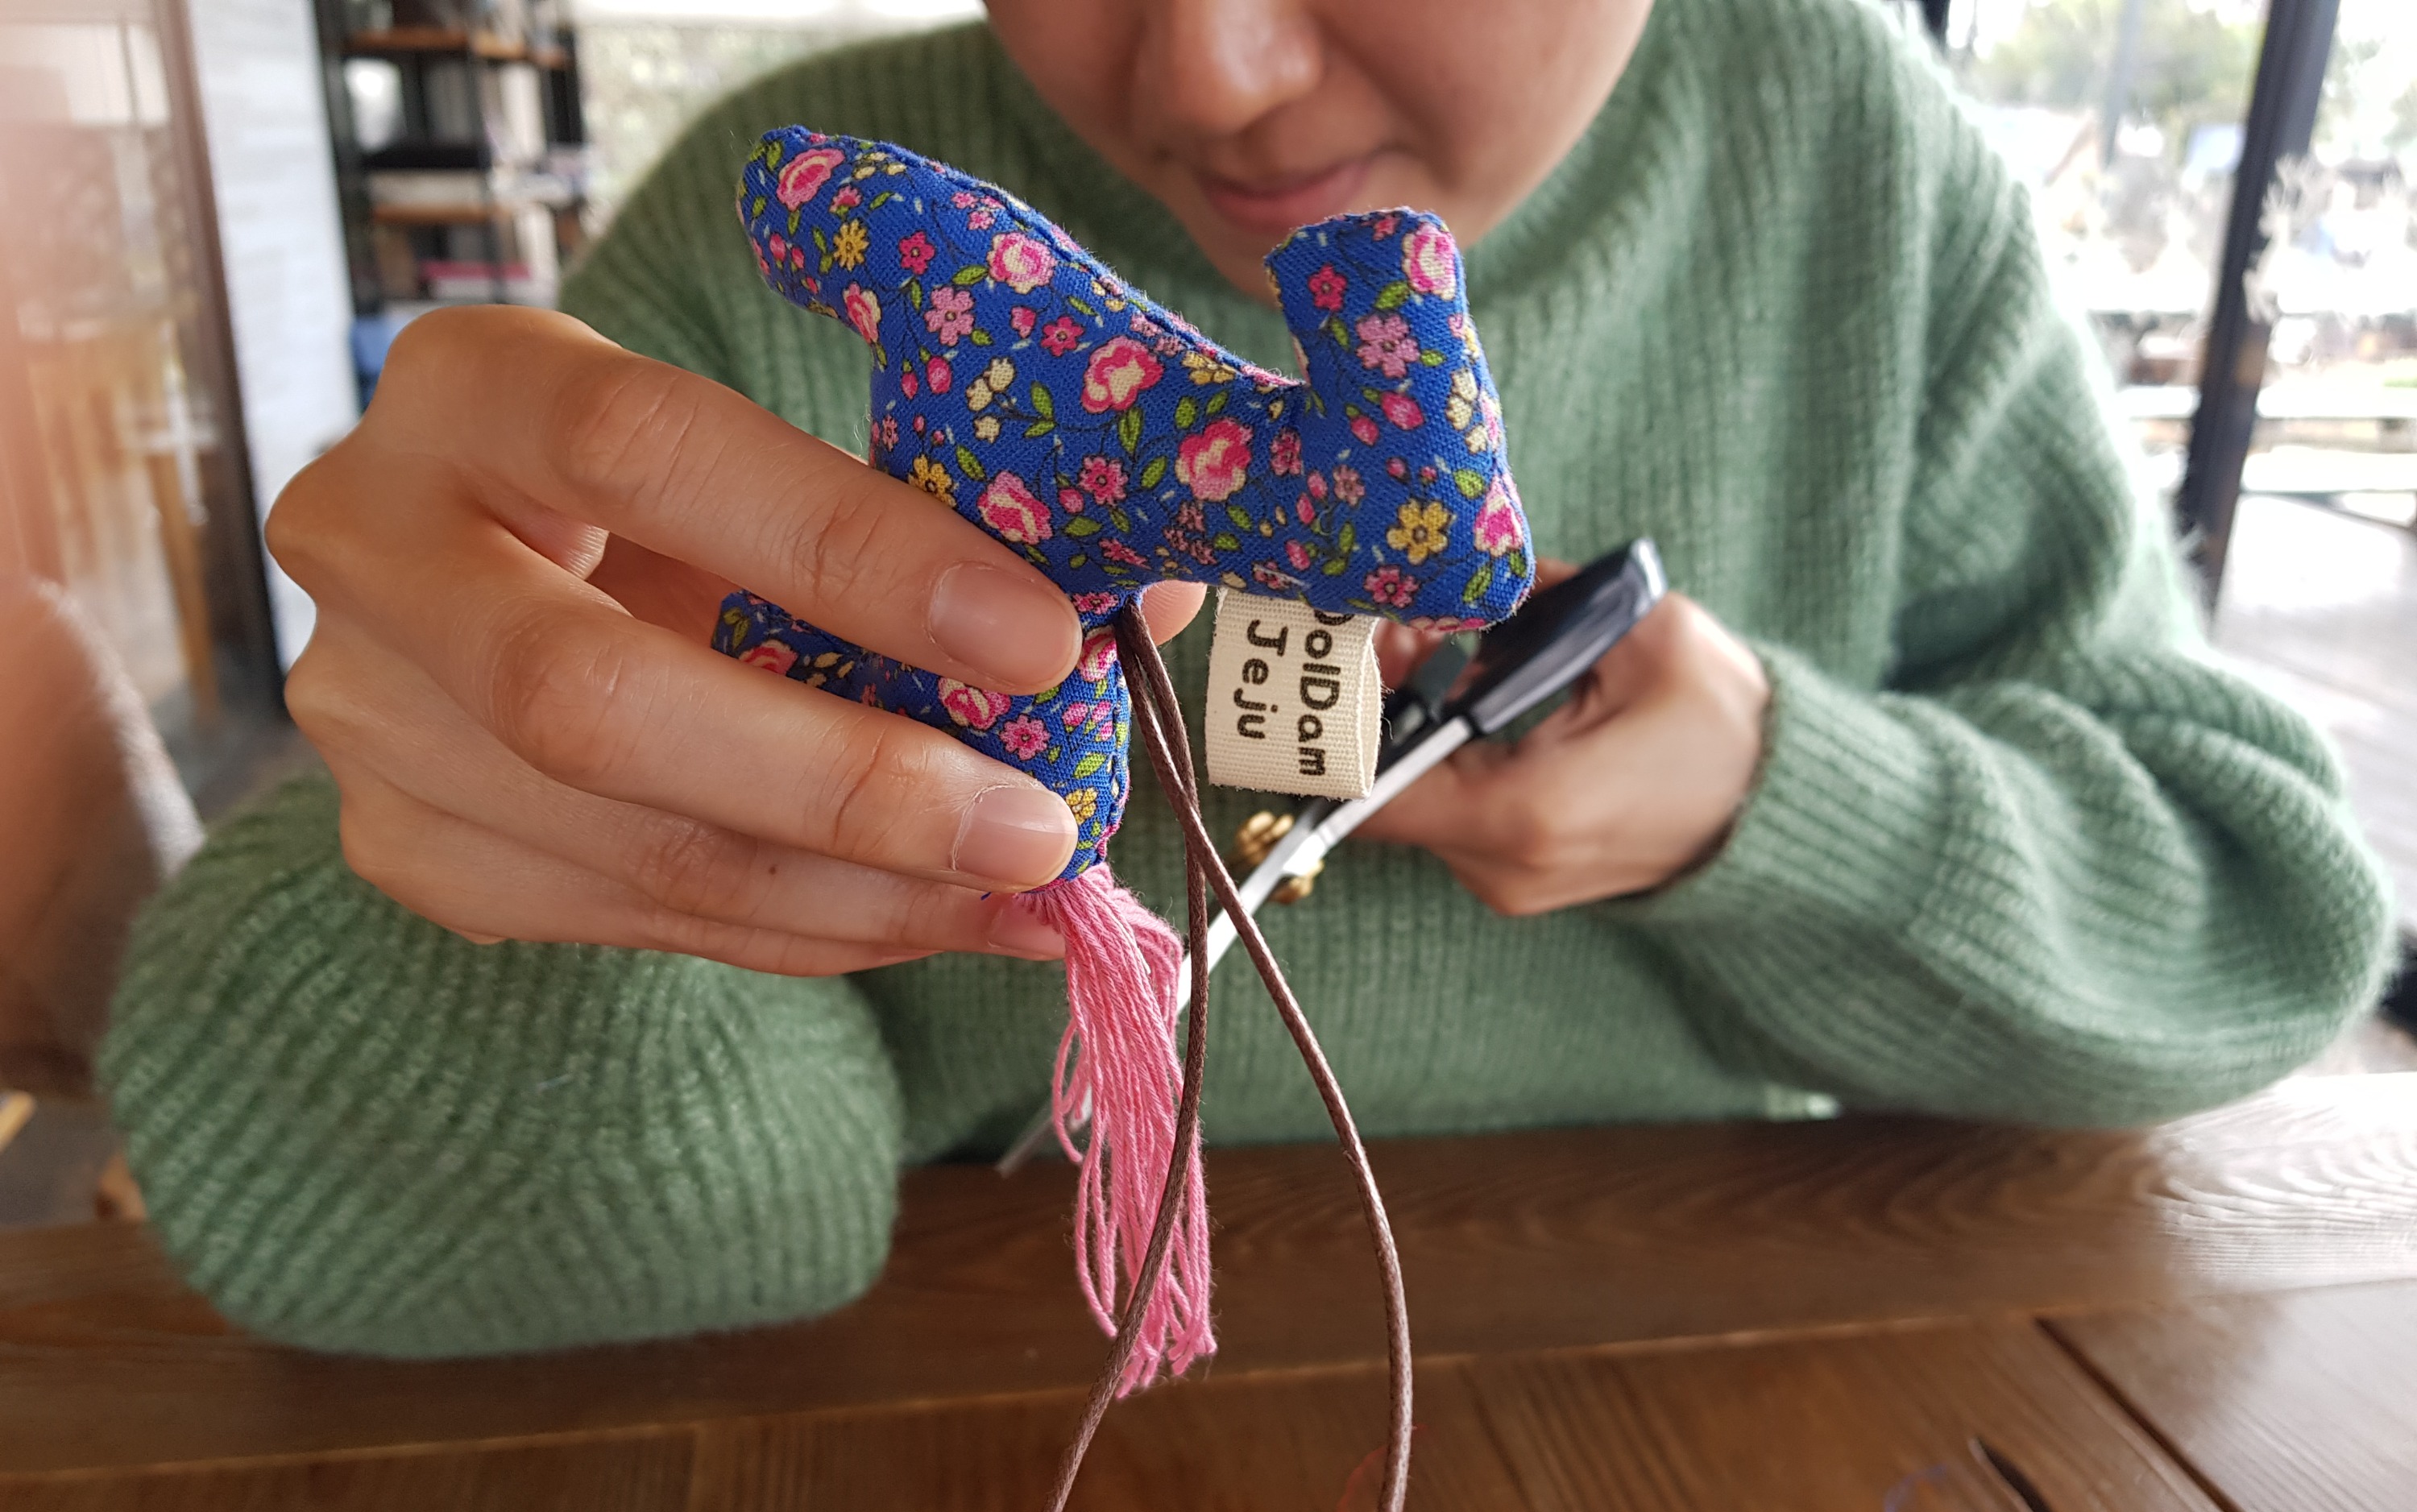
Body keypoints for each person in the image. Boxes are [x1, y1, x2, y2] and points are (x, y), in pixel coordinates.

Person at [101, 0, 2394, 1357]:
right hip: (931, 1460)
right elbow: (357, 1196)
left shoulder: (1859, 164)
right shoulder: (764, 245)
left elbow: (2257, 924)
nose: (1210, 70)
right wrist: (557, 867)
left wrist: (1770, 798)